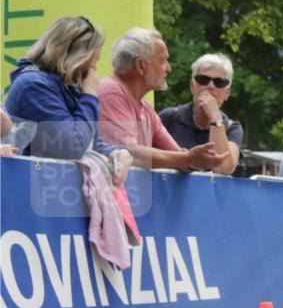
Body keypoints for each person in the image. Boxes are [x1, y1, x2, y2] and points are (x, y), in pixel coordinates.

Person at [3, 17, 132, 183]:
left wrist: (115, 152)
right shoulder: (34, 85)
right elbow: (72, 147)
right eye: (93, 62)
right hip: (24, 190)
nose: (94, 70)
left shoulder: (66, 89)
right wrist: (90, 96)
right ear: (77, 58)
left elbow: (91, 142)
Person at [98, 28, 226, 172]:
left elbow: (180, 157)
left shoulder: (146, 109)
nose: (169, 68)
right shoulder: (110, 91)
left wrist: (194, 160)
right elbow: (129, 152)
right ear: (141, 65)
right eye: (163, 61)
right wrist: (189, 159)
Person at [158, 53, 243, 175]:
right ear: (192, 86)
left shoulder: (232, 127)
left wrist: (215, 118)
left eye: (219, 82)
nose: (210, 86)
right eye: (203, 80)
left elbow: (224, 169)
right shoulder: (170, 117)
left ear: (227, 93)